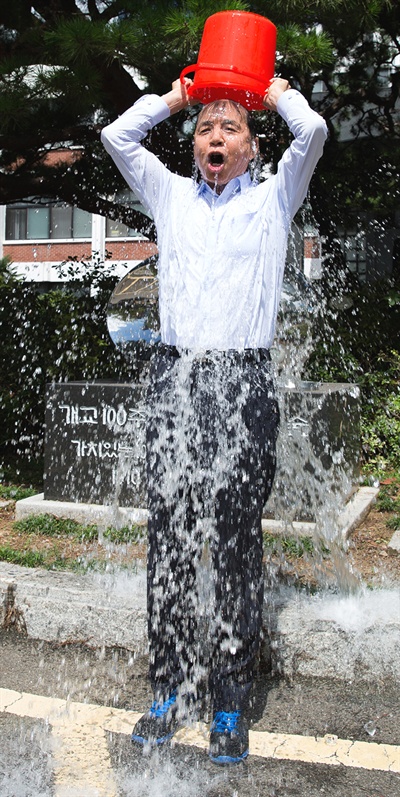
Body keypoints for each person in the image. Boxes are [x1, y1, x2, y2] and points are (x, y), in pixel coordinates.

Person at [101, 74, 327, 765]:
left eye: (229, 128)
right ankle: (166, 689)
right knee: (168, 535)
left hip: (244, 378)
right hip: (177, 375)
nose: (215, 138)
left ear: (252, 147)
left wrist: (278, 88)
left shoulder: (272, 198)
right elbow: (116, 136)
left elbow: (313, 133)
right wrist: (175, 96)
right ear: (193, 146)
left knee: (234, 543)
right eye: (205, 129)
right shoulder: (170, 194)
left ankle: (229, 698)